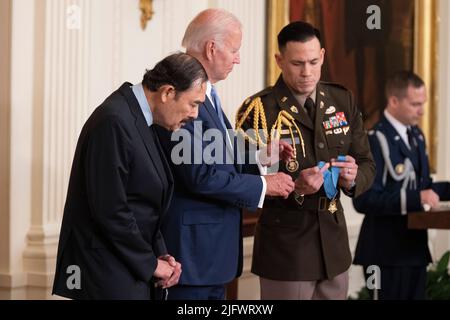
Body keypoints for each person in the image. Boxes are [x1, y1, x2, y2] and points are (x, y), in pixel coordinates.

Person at [155, 9, 295, 300]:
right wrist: (264, 185)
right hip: (191, 256)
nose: (238, 58)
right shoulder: (183, 90)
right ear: (211, 48)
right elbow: (198, 174)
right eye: (234, 50)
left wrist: (259, 156)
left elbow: (215, 151)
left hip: (210, 254)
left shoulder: (208, 92)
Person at [236, 21, 376, 300]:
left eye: (313, 61)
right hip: (287, 248)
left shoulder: (342, 99)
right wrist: (295, 188)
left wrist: (353, 177)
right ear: (279, 60)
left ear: (323, 55)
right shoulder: (259, 109)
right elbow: (240, 182)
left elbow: (366, 162)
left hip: (334, 246)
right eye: (297, 63)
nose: (307, 72)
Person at [52, 52, 208, 300]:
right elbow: (110, 209)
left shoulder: (140, 117)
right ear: (168, 92)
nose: (195, 115)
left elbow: (143, 204)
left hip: (127, 268)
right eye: (194, 103)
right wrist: (151, 264)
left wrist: (160, 255)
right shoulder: (114, 120)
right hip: (106, 274)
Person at [353, 71, 450, 300]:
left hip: (414, 250)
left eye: (422, 103)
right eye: (415, 104)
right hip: (384, 253)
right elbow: (364, 199)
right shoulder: (374, 139)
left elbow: (424, 187)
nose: (422, 111)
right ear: (394, 101)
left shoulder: (416, 136)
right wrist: (417, 199)